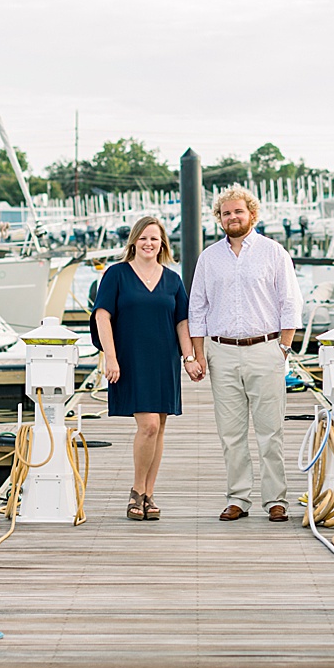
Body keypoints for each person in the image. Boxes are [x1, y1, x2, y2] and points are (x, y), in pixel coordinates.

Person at [187, 186, 303, 521]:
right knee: (231, 433)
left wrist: (283, 346)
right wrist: (198, 355)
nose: (232, 217)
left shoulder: (273, 252)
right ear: (219, 219)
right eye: (226, 213)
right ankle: (238, 497)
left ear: (252, 213)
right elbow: (198, 309)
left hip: (266, 349)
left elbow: (290, 303)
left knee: (270, 431)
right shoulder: (209, 258)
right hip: (221, 352)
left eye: (238, 211)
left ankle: (275, 499)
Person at [93, 216, 199, 521]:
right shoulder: (116, 275)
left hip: (164, 359)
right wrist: (110, 358)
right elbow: (102, 317)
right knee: (149, 425)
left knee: (160, 427)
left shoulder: (172, 279)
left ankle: (149, 495)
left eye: (154, 238)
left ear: (162, 243)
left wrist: (189, 359)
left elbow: (182, 322)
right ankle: (137, 491)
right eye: (143, 238)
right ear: (134, 242)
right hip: (130, 359)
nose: (149, 244)